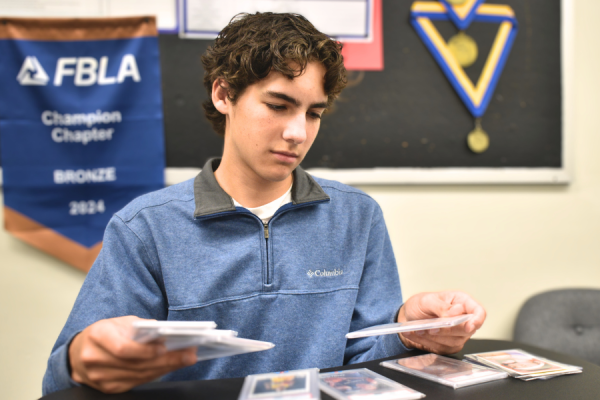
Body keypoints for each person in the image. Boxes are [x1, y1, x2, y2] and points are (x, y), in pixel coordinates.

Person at [42, 12, 486, 395]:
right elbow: (60, 385)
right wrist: (81, 359)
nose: (298, 132)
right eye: (278, 105)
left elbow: (366, 363)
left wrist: (410, 332)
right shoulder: (146, 227)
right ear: (224, 94)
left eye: (314, 113)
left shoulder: (357, 216)